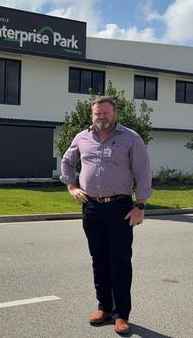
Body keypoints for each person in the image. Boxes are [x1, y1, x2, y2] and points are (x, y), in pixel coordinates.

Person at [60, 97, 152, 335]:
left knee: (120, 262)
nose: (101, 117)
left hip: (120, 208)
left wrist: (140, 205)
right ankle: (104, 307)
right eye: (97, 113)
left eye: (106, 113)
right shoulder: (82, 137)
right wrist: (72, 187)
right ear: (92, 115)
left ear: (115, 114)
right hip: (91, 208)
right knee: (98, 259)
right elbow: (67, 163)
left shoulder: (131, 138)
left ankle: (122, 314)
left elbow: (143, 172)